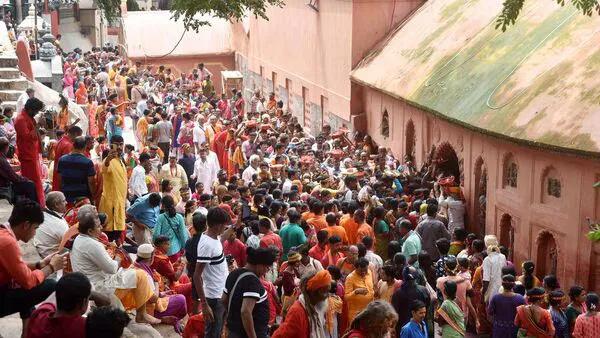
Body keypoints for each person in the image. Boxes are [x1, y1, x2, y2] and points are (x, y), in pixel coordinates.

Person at [70, 205, 160, 324]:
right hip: (100, 286)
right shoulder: (92, 244)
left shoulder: (80, 239)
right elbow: (112, 268)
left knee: (133, 272)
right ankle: (141, 315)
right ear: (90, 231)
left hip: (92, 282)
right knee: (141, 275)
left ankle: (138, 313)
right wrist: (118, 257)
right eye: (98, 226)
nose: (101, 227)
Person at [0, 200, 66, 335]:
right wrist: (52, 267)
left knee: (25, 283)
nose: (35, 233)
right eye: (35, 228)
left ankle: (26, 332)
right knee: (50, 285)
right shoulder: (8, 243)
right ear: (26, 225)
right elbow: (28, 281)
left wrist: (39, 265)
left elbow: (17, 269)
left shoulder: (4, 233)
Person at [193, 207, 233, 338]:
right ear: (217, 225)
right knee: (213, 333)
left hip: (220, 292)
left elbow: (221, 239)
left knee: (218, 329)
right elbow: (197, 275)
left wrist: (235, 226)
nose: (225, 228)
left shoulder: (214, 237)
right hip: (214, 297)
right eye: (224, 226)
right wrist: (204, 305)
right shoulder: (207, 245)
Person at [25, 272, 105, 338]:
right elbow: (108, 308)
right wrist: (92, 295)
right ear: (83, 303)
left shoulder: (39, 314)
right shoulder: (85, 328)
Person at [223, 246, 278, 338]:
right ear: (259, 265)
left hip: (234, 331)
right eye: (267, 267)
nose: (267, 270)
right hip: (249, 333)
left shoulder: (234, 274)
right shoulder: (252, 281)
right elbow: (245, 311)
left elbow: (223, 300)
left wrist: (232, 318)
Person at [272, 270, 332, 338]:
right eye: (324, 292)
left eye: (328, 291)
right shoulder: (297, 312)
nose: (327, 296)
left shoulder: (316, 308)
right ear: (312, 292)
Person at [14, 98, 46, 206]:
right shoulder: (20, 119)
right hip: (27, 155)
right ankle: (34, 203)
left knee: (37, 179)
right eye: (36, 110)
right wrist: (37, 126)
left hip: (32, 153)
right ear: (31, 109)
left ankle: (38, 202)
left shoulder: (29, 117)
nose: (36, 113)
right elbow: (27, 137)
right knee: (32, 181)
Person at [98, 135, 127, 243]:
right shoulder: (108, 160)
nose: (119, 147)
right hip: (111, 206)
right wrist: (108, 159)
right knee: (109, 237)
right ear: (111, 145)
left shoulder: (121, 161)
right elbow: (105, 167)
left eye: (121, 144)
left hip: (120, 204)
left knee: (117, 237)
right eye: (116, 144)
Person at [57, 136, 96, 203]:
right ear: (85, 146)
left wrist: (62, 190)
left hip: (66, 195)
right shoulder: (87, 162)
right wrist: (93, 196)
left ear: (73, 145)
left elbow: (60, 179)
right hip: (82, 198)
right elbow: (91, 182)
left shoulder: (62, 159)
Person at [392, 266, 431, 331]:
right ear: (416, 276)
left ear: (403, 277)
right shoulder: (423, 290)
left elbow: (395, 312)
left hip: (403, 327)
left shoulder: (397, 293)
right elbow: (427, 305)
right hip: (420, 326)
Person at [0, 137, 38, 202]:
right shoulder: (1, 160)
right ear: (6, 148)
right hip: (3, 187)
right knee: (30, 184)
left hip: (4, 183)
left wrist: (21, 167)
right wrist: (25, 179)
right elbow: (14, 178)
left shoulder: (2, 158)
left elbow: (8, 170)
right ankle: (32, 207)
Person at [153, 195, 189, 261]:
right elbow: (183, 234)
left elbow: (156, 234)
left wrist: (156, 246)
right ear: (173, 204)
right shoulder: (179, 217)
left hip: (163, 251)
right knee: (175, 269)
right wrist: (184, 247)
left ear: (163, 206)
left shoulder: (161, 217)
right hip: (176, 250)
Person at [33, 192, 69, 259]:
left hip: (42, 252)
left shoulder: (42, 214)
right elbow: (70, 246)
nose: (66, 202)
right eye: (64, 201)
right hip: (51, 259)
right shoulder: (59, 224)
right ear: (56, 205)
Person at [344, 257, 375, 324]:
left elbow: (372, 288)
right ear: (356, 268)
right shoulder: (350, 278)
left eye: (365, 270)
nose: (364, 272)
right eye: (361, 271)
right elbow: (346, 297)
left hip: (369, 311)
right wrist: (356, 292)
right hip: (356, 314)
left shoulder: (369, 272)